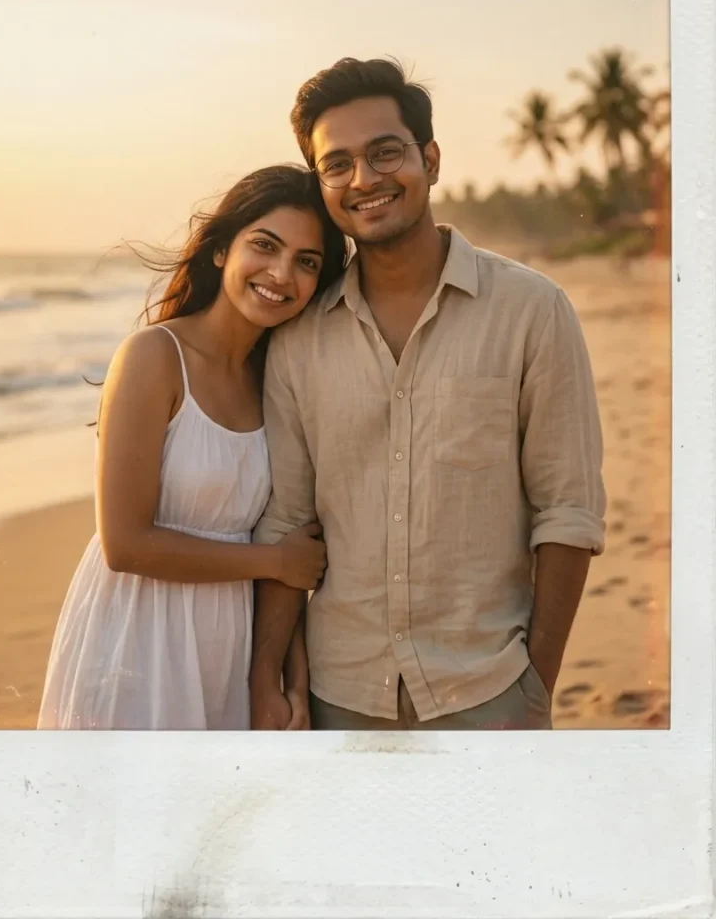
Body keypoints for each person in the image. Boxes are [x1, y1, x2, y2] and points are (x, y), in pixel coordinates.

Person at [249, 58, 607, 731]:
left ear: (431, 159)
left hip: (490, 691)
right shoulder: (297, 336)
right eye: (338, 164)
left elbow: (569, 510)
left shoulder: (532, 310)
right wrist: (270, 677)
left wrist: (538, 687)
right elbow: (286, 527)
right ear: (322, 183)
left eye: (386, 153)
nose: (365, 180)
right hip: (338, 696)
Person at [37, 164, 347, 730]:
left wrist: (291, 681)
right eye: (265, 245)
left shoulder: (277, 379)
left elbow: (289, 542)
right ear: (221, 251)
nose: (281, 274)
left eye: (307, 262)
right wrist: (273, 561)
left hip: (227, 644)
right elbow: (125, 544)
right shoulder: (154, 357)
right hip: (138, 636)